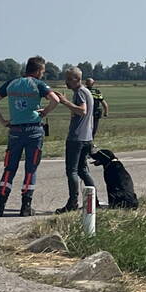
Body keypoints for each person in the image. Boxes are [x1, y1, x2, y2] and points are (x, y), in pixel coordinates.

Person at [0, 56, 60, 217]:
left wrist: (2, 121)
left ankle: (0, 205)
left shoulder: (11, 83)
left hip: (15, 131)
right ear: (39, 70)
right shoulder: (38, 84)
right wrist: (45, 111)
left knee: (9, 168)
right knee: (30, 168)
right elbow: (55, 100)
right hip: (34, 130)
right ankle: (25, 206)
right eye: (43, 71)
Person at [55, 68, 96, 214]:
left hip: (77, 138)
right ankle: (93, 199)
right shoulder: (86, 92)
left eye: (68, 79)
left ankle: (73, 202)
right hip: (87, 137)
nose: (65, 82)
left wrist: (64, 102)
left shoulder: (79, 93)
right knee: (83, 170)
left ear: (76, 79)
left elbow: (82, 110)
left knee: (72, 170)